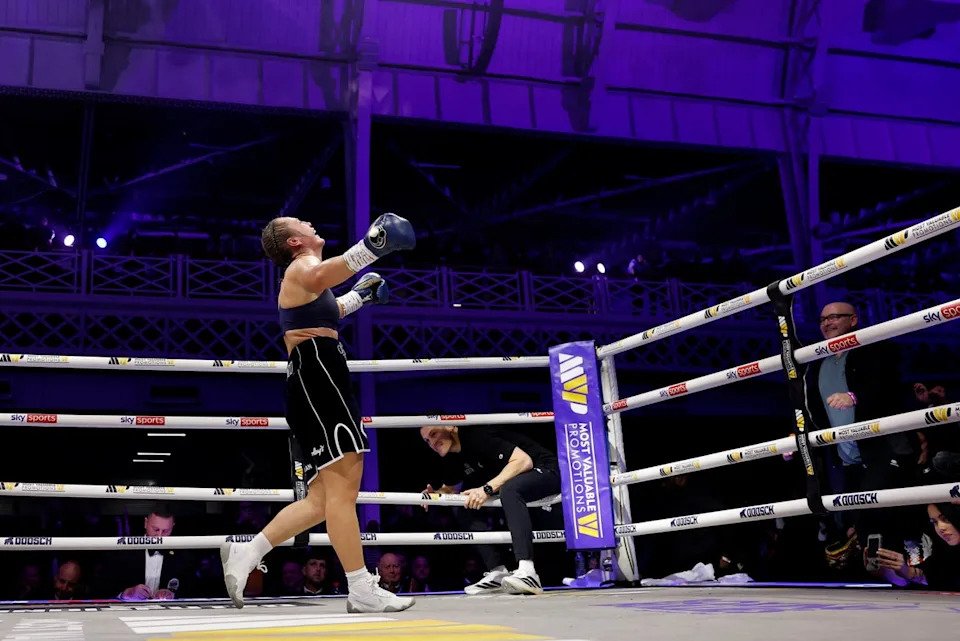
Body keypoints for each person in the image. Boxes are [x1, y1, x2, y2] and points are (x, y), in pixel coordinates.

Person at [220, 213, 416, 613]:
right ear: (294, 242)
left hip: (316, 374)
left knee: (322, 497)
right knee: (344, 486)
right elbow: (322, 275)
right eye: (302, 223)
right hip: (319, 374)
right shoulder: (302, 268)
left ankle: (247, 553)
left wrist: (360, 297)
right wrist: (372, 247)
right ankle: (361, 588)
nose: (311, 223)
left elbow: (328, 311)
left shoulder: (305, 279)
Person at [804, 301, 914, 564]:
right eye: (822, 319)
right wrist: (799, 436)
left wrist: (855, 396)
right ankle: (873, 568)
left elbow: (892, 389)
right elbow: (812, 410)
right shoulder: (816, 364)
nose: (827, 323)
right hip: (844, 453)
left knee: (879, 507)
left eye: (834, 318)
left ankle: (910, 570)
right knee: (851, 514)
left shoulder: (874, 348)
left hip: (882, 446)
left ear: (853, 320)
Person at [420, 424, 560, 595]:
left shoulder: (477, 435)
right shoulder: (451, 457)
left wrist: (486, 489)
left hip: (545, 469)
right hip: (513, 484)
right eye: (427, 440)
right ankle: (498, 571)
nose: (432, 443)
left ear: (450, 426)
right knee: (463, 504)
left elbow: (524, 461)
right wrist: (435, 495)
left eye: (434, 434)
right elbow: (450, 489)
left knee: (509, 489)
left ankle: (528, 572)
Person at [870, 502, 960, 590]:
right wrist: (887, 572)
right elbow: (939, 580)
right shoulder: (943, 552)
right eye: (935, 522)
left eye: (946, 519)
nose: (941, 528)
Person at [113, 510, 187, 601]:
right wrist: (127, 593)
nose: (159, 536)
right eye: (156, 529)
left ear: (173, 527)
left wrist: (171, 593)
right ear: (146, 523)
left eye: (165, 531)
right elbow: (103, 587)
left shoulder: (182, 552)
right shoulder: (125, 549)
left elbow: (192, 587)